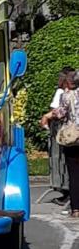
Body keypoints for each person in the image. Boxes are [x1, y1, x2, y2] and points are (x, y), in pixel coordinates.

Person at [42, 70, 79, 218]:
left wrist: (47, 116)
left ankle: (76, 209)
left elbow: (60, 113)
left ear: (69, 83)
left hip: (73, 137)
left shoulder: (67, 96)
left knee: (74, 173)